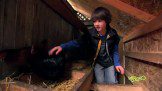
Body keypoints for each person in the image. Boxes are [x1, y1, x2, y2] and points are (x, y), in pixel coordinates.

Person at [49, 7, 124, 84]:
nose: (96, 24)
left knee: (112, 83)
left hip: (109, 63)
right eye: (94, 21)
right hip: (97, 63)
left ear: (107, 21)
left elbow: (115, 50)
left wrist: (117, 64)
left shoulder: (113, 34)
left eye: (99, 21)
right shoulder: (90, 33)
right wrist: (63, 46)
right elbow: (78, 42)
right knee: (100, 83)